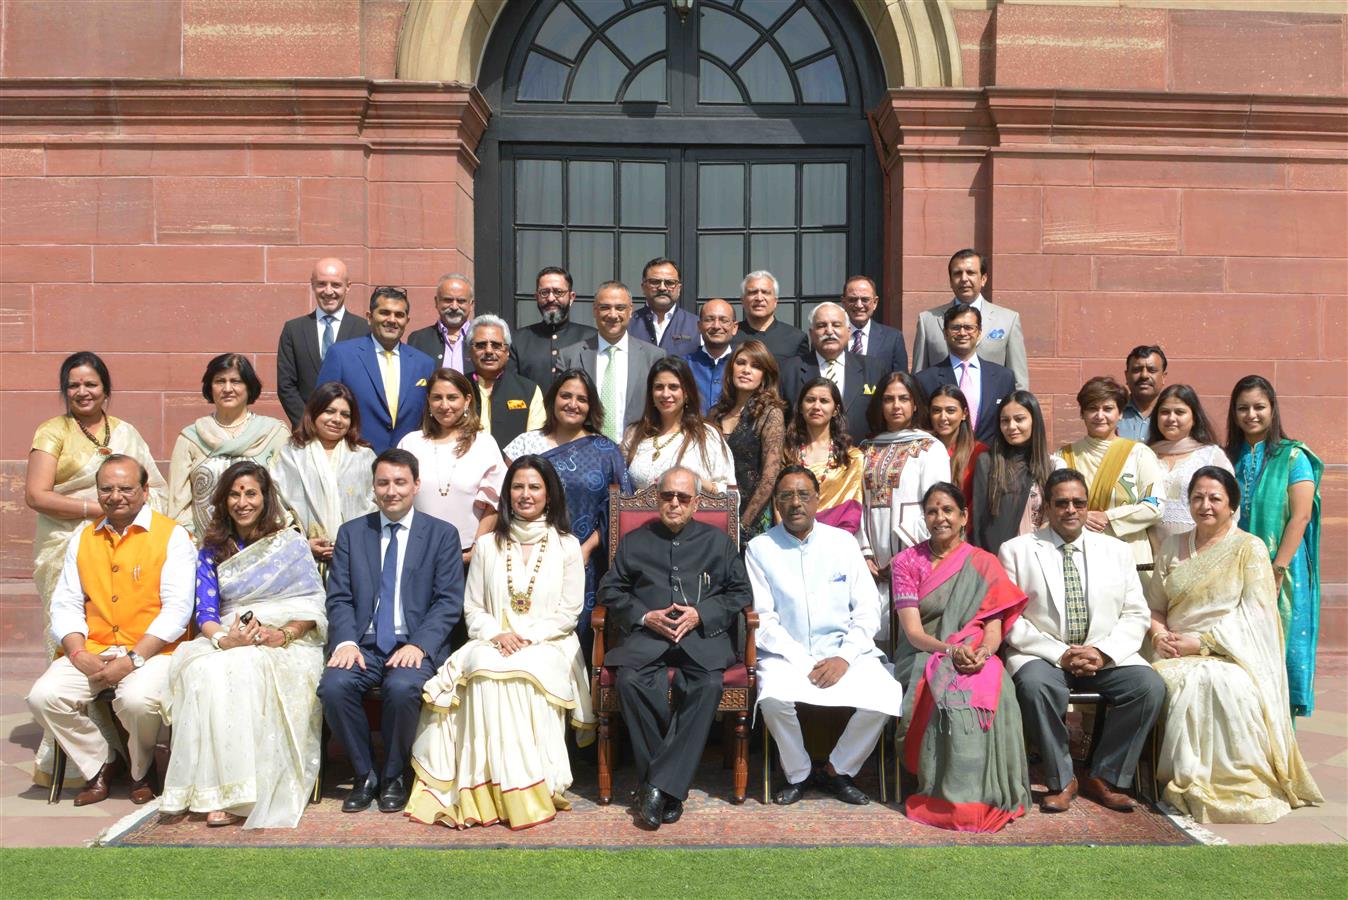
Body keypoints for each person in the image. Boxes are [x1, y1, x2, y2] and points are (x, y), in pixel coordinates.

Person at [406, 456, 595, 830]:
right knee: (481, 670)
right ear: (508, 493)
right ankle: (483, 790)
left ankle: (526, 789)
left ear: (549, 494)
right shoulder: (489, 544)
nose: (526, 494)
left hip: (549, 643)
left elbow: (568, 613)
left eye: (534, 487)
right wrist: (497, 635)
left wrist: (526, 638)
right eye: (518, 487)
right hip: (492, 639)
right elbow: (473, 608)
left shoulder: (567, 545)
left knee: (521, 674)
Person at [1146, 466, 1322, 823]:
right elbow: (1154, 606)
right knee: (1167, 680)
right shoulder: (1172, 544)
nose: (1205, 505)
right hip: (1173, 649)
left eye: (1215, 498)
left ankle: (1235, 782)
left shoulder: (1249, 548)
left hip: (1231, 653)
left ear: (1232, 505)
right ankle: (1178, 778)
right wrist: (1158, 635)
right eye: (1197, 497)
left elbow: (1256, 613)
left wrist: (1203, 643)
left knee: (1225, 685)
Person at [161, 462, 327, 828]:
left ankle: (242, 794)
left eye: (251, 493)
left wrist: (280, 635)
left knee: (245, 669)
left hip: (286, 642)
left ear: (265, 498)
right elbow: (204, 610)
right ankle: (208, 791)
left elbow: (313, 607)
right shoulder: (211, 549)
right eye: (234, 494)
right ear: (223, 500)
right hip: (227, 635)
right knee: (202, 670)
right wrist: (225, 639)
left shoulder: (290, 543)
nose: (242, 502)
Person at [25, 455, 194, 806]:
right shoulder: (83, 538)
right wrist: (77, 652)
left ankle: (141, 770)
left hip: (153, 650)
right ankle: (101, 762)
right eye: (107, 489)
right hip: (95, 647)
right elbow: (66, 604)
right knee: (44, 696)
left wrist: (133, 659)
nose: (116, 495)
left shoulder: (172, 536)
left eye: (126, 488)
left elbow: (177, 611)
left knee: (138, 702)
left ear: (145, 491)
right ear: (98, 492)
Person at [998, 469, 1165, 813]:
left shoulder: (1116, 551)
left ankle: (1105, 775)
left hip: (1102, 653)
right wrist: (1060, 654)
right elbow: (1010, 619)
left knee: (1149, 686)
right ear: (1047, 506)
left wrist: (1103, 653)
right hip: (1043, 655)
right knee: (1032, 686)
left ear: (1088, 506)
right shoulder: (1016, 551)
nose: (1071, 509)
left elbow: (1136, 613)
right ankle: (1062, 779)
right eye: (1062, 503)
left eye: (1078, 502)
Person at [598, 467, 751, 829]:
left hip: (702, 641)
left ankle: (654, 785)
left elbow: (740, 593)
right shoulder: (635, 541)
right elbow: (610, 591)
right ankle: (669, 788)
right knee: (631, 682)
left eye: (683, 497)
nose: (675, 503)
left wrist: (701, 614)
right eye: (668, 496)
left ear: (696, 503)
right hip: (648, 640)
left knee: (707, 685)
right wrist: (644, 615)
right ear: (657, 498)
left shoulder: (718, 542)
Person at [317, 448, 464, 814]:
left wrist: (419, 644)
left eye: (400, 482)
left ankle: (395, 774)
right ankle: (365, 773)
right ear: (373, 487)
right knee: (333, 686)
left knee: (402, 688)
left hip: (412, 643)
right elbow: (339, 598)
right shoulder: (352, 533)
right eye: (383, 483)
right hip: (363, 643)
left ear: (416, 485)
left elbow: (448, 601)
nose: (391, 491)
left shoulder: (442, 535)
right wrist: (346, 641)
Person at [748, 466, 903, 807]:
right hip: (787, 656)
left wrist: (843, 658)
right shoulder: (760, 548)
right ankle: (800, 772)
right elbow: (764, 619)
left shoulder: (843, 543)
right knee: (772, 697)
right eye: (786, 495)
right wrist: (804, 662)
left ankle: (837, 769)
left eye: (804, 495)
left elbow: (866, 611)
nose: (795, 503)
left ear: (818, 500)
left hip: (844, 653)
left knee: (886, 693)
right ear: (776, 502)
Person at [890, 483, 1030, 832]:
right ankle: (945, 795)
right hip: (924, 654)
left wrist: (983, 653)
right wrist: (951, 651)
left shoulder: (984, 563)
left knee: (998, 688)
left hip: (977, 653)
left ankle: (987, 794)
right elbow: (914, 634)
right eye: (933, 511)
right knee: (948, 693)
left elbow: (994, 627)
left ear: (963, 516)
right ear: (924, 517)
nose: (940, 518)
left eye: (948, 510)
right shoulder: (907, 562)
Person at [27, 353, 168, 651]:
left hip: (126, 540)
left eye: (90, 384)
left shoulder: (125, 432)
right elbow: (36, 495)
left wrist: (122, 513)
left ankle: (122, 679)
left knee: (121, 616)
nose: (82, 392)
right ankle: (72, 678)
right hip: (65, 542)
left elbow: (154, 488)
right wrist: (98, 509)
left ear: (105, 389)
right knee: (73, 618)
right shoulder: (52, 431)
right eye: (73, 385)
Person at [503, 369, 632, 641]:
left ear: (591, 406)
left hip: (583, 561)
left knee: (575, 633)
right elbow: (506, 500)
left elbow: (618, 511)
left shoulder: (606, 451)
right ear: (553, 399)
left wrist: (585, 549)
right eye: (566, 396)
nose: (573, 404)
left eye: (582, 399)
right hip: (526, 557)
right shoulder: (526, 444)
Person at [1225, 374, 1322, 719]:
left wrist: (1276, 570)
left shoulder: (1294, 457)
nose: (1251, 414)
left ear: (1272, 409)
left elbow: (1300, 517)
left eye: (1259, 407)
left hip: (1284, 570)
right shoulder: (1227, 458)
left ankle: (1282, 745)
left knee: (1278, 654)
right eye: (1243, 408)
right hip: (1235, 569)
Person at [857, 372, 950, 633]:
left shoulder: (931, 448)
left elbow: (938, 507)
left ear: (915, 404)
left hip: (914, 555)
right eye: (888, 399)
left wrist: (904, 556)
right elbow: (857, 503)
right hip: (870, 563)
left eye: (903, 398)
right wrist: (863, 553)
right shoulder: (865, 449)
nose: (896, 406)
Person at [1053, 376, 1164, 584]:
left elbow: (1155, 505)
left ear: (1120, 413)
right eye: (1092, 408)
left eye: (1108, 408)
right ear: (1082, 414)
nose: (1100, 415)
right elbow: (1054, 506)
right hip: (1078, 556)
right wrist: (1080, 517)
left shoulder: (1139, 454)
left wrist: (1109, 517)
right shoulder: (1063, 457)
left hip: (1131, 557)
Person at [168, 353, 290, 537]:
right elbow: (178, 502)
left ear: (249, 387)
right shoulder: (190, 438)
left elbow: (286, 495)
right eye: (219, 381)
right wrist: (191, 544)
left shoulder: (274, 433)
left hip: (264, 547)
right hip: (205, 551)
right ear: (210, 387)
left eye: (236, 381)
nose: (227, 388)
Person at [397, 369, 505, 566]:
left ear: (467, 400)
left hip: (468, 557)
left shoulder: (484, 444)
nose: (444, 405)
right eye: (437, 398)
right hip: (416, 555)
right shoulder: (410, 443)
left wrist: (476, 548)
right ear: (428, 401)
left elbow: (494, 503)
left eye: (452, 397)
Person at [315, 286, 438, 454]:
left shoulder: (424, 363)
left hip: (406, 463)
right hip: (353, 458)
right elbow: (320, 408)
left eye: (399, 315)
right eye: (384, 312)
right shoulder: (341, 355)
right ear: (369, 317)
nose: (392, 320)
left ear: (407, 321)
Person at [269, 381, 377, 567]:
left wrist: (350, 542)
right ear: (314, 412)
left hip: (356, 557)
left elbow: (376, 504)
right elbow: (275, 504)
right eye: (329, 411)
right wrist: (301, 542)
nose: (337, 419)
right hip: (303, 560)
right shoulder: (291, 454)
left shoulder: (364, 456)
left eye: (345, 415)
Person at [556, 280, 667, 443]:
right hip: (583, 452)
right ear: (594, 311)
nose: (613, 315)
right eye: (605, 307)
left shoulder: (654, 357)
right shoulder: (569, 357)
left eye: (620, 308)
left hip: (638, 451)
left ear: (630, 311)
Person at [911, 249, 1029, 390]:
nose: (964, 279)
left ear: (983, 279)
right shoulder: (928, 320)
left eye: (971, 273)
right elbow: (918, 380)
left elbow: (1019, 382)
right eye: (957, 273)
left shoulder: (1008, 320)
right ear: (950, 281)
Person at [276, 258, 371, 427]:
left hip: (352, 430)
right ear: (312, 284)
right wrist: (308, 425)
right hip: (306, 432)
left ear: (348, 286)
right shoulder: (294, 329)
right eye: (321, 284)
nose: (328, 291)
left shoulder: (365, 330)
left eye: (335, 285)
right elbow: (286, 386)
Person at [709, 341, 786, 542]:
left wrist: (741, 524)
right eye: (741, 363)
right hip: (713, 512)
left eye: (755, 366)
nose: (746, 370)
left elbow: (769, 477)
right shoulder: (715, 414)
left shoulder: (771, 414)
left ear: (764, 376)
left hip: (754, 518)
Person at [780, 301, 888, 445]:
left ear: (848, 332)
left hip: (861, 458)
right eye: (821, 326)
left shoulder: (874, 368)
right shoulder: (788, 370)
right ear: (811, 334)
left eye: (836, 325)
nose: (829, 331)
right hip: (806, 459)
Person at [624, 357, 735, 492]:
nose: (665, 394)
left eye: (673, 387)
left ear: (687, 393)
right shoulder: (635, 434)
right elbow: (621, 489)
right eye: (659, 387)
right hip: (641, 514)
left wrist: (700, 483)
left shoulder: (707, 436)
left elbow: (731, 495)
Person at [971, 389, 1060, 556]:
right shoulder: (988, 463)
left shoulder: (1052, 465)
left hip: (1043, 556)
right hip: (1001, 559)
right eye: (1005, 420)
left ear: (1034, 420)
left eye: (1019, 419)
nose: (1011, 427)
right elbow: (979, 522)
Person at [914, 304, 1015, 445]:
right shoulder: (925, 379)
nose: (962, 333)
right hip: (945, 459)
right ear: (945, 333)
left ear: (979, 332)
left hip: (991, 460)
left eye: (969, 328)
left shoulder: (1003, 377)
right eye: (955, 328)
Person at [1147, 384, 1232, 542]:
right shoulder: (1144, 454)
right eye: (1165, 412)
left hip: (1199, 550)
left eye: (1180, 412)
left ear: (1194, 418)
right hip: (1148, 553)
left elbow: (1231, 507)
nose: (1171, 418)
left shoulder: (1211, 456)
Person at [784, 378, 864, 535]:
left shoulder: (852, 458)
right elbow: (779, 502)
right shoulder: (787, 453)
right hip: (790, 540)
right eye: (810, 400)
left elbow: (853, 510)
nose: (816, 406)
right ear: (801, 407)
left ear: (835, 410)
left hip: (836, 543)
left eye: (824, 401)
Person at [511, 266, 598, 388]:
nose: (551, 298)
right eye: (544, 293)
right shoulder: (517, 340)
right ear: (536, 297)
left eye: (558, 292)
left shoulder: (591, 337)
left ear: (571, 297)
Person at [467, 314, 545, 449]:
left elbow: (536, 444)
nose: (489, 351)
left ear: (507, 351)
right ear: (470, 351)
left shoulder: (529, 391)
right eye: (480, 345)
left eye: (496, 345)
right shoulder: (457, 388)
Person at [927, 385, 987, 510]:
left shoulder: (979, 452)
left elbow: (979, 502)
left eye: (950, 410)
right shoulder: (922, 449)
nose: (943, 417)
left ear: (964, 414)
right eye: (936, 410)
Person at [628, 257, 700, 357]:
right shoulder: (627, 324)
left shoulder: (697, 326)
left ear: (679, 289)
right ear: (643, 287)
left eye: (670, 283)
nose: (662, 288)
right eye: (655, 282)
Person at [407, 273, 476, 375]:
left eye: (461, 301)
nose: (454, 306)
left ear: (471, 305)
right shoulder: (418, 339)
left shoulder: (482, 340)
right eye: (448, 300)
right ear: (436, 302)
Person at [734, 270, 809, 362]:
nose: (759, 298)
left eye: (765, 292)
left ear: (775, 301)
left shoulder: (796, 338)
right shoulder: (731, 335)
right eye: (753, 292)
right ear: (743, 300)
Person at [841, 275, 908, 375]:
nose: (859, 305)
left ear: (875, 303)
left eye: (865, 299)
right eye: (852, 299)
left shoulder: (892, 338)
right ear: (844, 302)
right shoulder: (834, 336)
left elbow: (901, 381)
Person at [682, 298, 739, 415]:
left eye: (724, 320)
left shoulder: (745, 366)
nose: (716, 326)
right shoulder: (683, 366)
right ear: (699, 326)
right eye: (709, 320)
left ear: (734, 327)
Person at [1118, 345, 1167, 441]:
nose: (1144, 375)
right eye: (1137, 370)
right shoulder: (1112, 413)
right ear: (1126, 376)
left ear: (1163, 377)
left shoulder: (1173, 416)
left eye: (1152, 370)